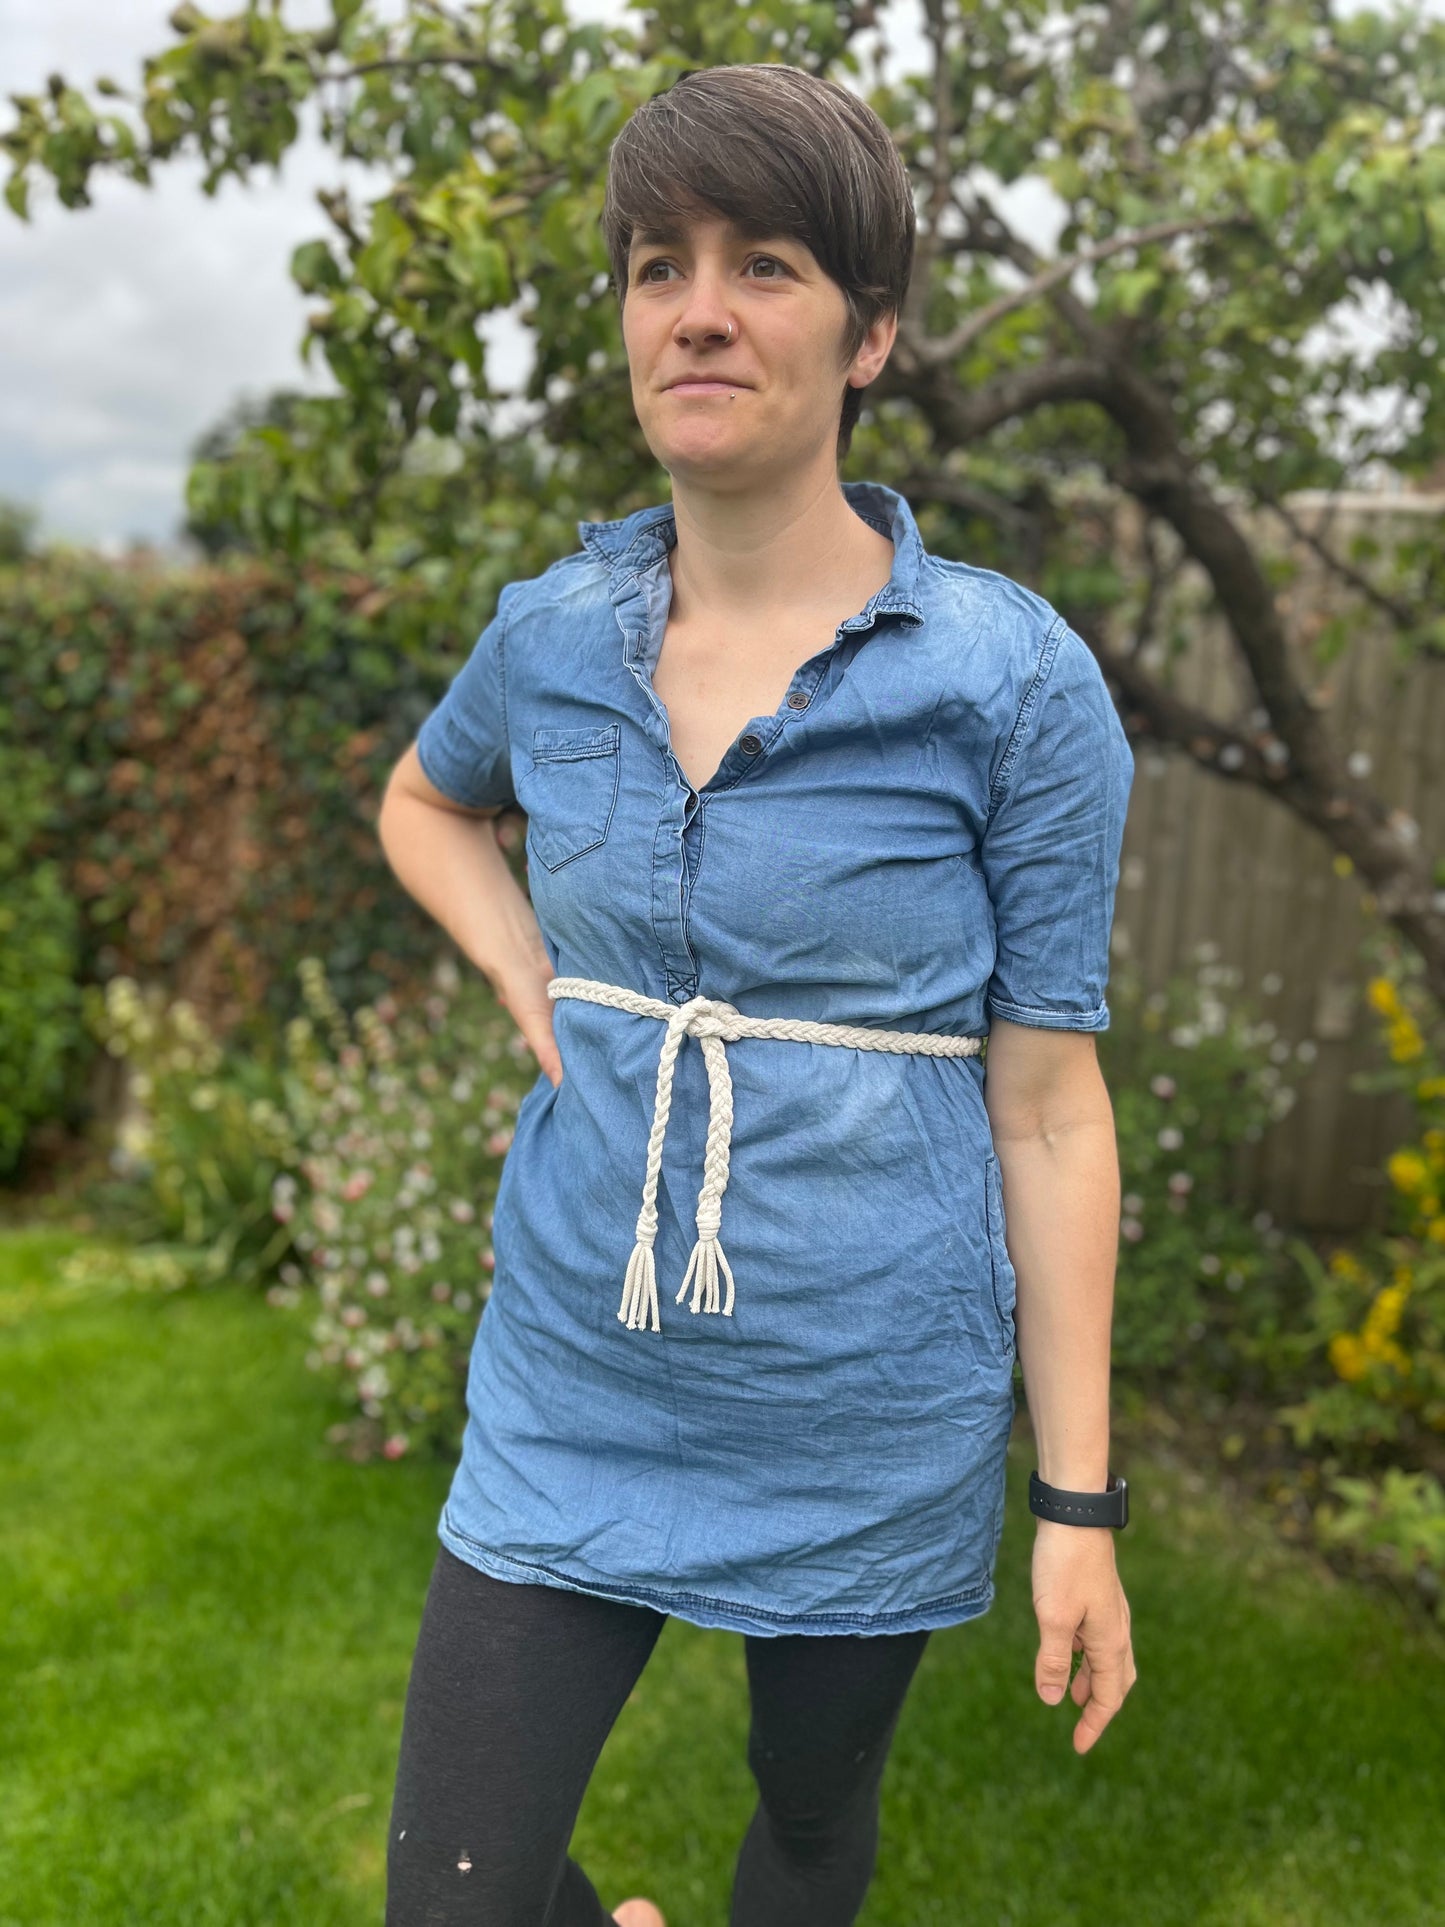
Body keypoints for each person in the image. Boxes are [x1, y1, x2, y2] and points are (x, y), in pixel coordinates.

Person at [376, 61, 1138, 1927]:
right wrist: (525, 967)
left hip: (864, 1401)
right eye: (657, 265)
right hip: (575, 1374)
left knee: (803, 1837)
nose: (697, 307)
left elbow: (1043, 1107)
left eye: (765, 263)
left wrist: (1078, 1509)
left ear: (870, 332)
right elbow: (424, 799)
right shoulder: (550, 637)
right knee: (446, 1899)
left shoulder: (1009, 687)